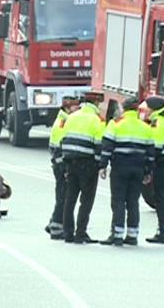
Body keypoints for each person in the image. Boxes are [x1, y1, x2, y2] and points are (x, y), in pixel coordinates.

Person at [98, 97, 155, 246]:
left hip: (120, 169)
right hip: (138, 170)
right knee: (133, 201)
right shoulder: (145, 127)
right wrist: (148, 172)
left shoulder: (115, 124)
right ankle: (132, 235)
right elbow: (150, 154)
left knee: (118, 201)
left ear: (123, 109)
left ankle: (116, 235)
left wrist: (102, 166)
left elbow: (107, 147)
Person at [58, 91, 105, 244]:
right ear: (96, 103)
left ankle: (67, 233)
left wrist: (65, 165)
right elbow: (99, 145)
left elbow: (62, 141)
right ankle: (81, 233)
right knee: (86, 200)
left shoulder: (71, 117)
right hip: (88, 164)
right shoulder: (96, 120)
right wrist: (100, 165)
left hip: (71, 163)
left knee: (70, 198)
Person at [45, 96, 80, 240]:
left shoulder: (63, 121)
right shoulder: (63, 124)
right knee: (63, 197)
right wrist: (65, 168)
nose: (78, 109)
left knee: (63, 196)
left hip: (60, 165)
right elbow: (59, 149)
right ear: (67, 108)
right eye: (75, 107)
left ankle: (54, 222)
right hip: (61, 166)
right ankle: (56, 228)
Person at [143, 96, 164, 244]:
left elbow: (157, 147)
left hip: (162, 164)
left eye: (148, 107)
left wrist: (148, 165)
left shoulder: (158, 122)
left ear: (154, 108)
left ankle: (163, 231)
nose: (146, 110)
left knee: (161, 197)